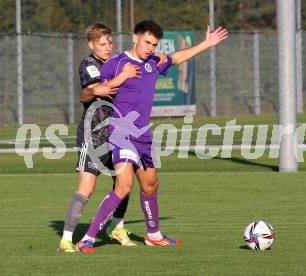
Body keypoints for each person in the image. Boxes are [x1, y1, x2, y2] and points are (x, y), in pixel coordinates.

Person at [76, 20, 228, 252]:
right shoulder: (114, 64)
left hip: (143, 135)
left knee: (150, 186)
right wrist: (102, 89)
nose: (150, 48)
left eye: (154, 44)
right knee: (124, 186)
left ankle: (153, 235)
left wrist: (206, 43)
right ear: (135, 38)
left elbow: (176, 58)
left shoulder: (153, 61)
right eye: (147, 42)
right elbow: (89, 92)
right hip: (121, 132)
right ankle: (88, 238)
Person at [58, 23, 142, 253]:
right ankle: (66, 240)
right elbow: (98, 90)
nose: (107, 47)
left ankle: (116, 226)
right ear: (91, 44)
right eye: (102, 44)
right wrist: (121, 77)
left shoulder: (115, 64)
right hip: (93, 134)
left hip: (117, 133)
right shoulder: (89, 65)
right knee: (87, 186)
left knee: (124, 183)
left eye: (109, 43)